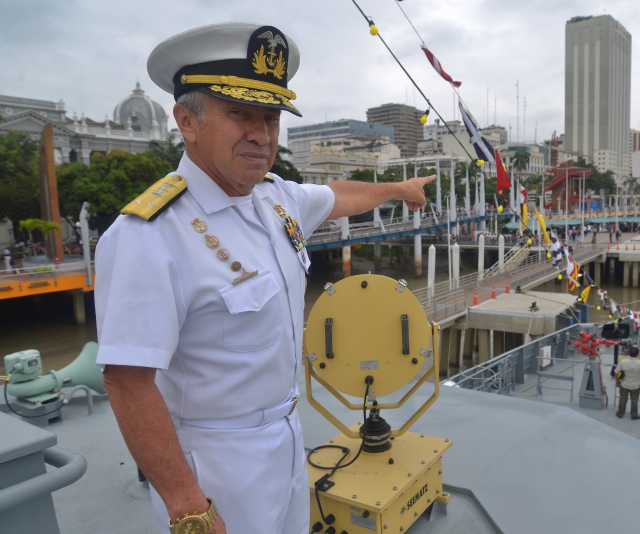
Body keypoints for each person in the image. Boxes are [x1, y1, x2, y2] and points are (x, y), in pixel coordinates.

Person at [95, 23, 434, 534]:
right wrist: (188, 506)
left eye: (271, 117)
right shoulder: (148, 235)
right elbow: (127, 380)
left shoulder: (274, 199)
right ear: (186, 121)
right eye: (239, 114)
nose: (261, 134)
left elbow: (337, 195)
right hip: (215, 460)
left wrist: (397, 188)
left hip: (289, 436)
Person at [615, 347, 640, 420]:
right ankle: (634, 415)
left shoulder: (623, 362)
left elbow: (616, 372)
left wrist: (617, 380)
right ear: (637, 354)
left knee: (622, 399)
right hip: (635, 386)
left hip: (624, 384)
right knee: (634, 400)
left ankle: (620, 413)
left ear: (629, 353)